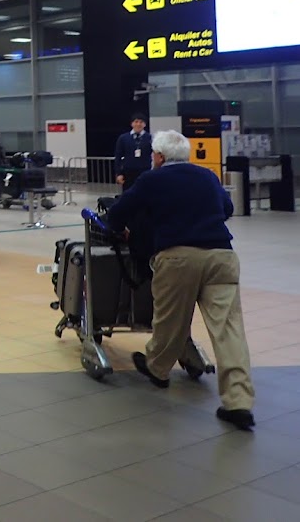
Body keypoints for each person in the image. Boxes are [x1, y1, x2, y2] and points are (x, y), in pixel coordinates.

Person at [105, 130, 255, 430]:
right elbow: (226, 209)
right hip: (221, 256)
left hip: (178, 257)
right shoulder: (207, 176)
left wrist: (128, 226)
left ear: (159, 157)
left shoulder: (152, 179)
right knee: (229, 330)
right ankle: (238, 402)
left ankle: (157, 368)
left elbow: (117, 214)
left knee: (170, 319)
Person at [115, 113, 152, 189]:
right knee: (128, 192)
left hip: (145, 171)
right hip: (128, 172)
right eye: (136, 121)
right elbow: (118, 156)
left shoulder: (150, 138)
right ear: (132, 124)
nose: (138, 124)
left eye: (141, 122)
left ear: (145, 124)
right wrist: (119, 173)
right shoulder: (123, 138)